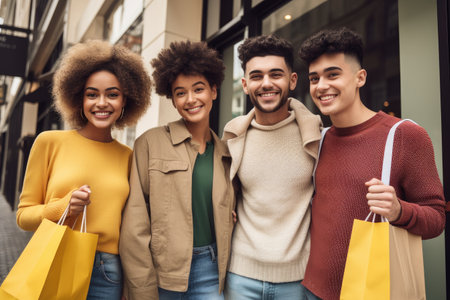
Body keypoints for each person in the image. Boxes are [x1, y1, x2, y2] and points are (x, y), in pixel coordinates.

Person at [298, 27, 446, 299]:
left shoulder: (403, 135)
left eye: (333, 74)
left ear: (360, 77)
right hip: (309, 289)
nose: (321, 86)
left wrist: (399, 210)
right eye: (314, 78)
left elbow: (437, 218)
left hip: (370, 291)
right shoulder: (315, 141)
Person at [16, 40, 152, 300]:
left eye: (112, 94)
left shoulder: (129, 157)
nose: (102, 103)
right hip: (56, 256)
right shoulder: (49, 142)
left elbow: (131, 225)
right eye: (92, 94)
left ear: (126, 100)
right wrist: (63, 206)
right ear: (79, 98)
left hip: (108, 271)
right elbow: (23, 217)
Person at [118, 40, 235, 300]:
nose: (191, 99)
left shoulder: (225, 153)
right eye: (180, 92)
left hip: (211, 270)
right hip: (161, 272)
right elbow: (135, 225)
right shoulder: (149, 143)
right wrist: (141, 287)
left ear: (214, 91)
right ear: (172, 99)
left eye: (199, 89)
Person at [222, 35, 322, 299]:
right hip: (241, 277)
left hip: (298, 280)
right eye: (256, 76)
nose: (266, 83)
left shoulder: (315, 133)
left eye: (275, 74)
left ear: (291, 80)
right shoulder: (233, 136)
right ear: (245, 84)